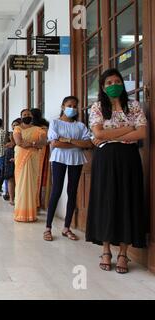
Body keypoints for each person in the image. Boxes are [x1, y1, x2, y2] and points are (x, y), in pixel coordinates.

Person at [86, 68, 148, 274]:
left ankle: (123, 253)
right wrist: (128, 129)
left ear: (123, 84)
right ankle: (105, 250)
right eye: (109, 83)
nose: (114, 85)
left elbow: (142, 133)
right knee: (106, 200)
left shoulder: (134, 106)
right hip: (105, 159)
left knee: (127, 201)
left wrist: (107, 134)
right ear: (103, 87)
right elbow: (97, 133)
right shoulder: (97, 107)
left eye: (117, 81)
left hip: (129, 158)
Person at [43, 96, 93, 242]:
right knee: (56, 191)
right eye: (69, 105)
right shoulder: (55, 123)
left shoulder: (80, 126)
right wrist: (78, 143)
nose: (72, 107)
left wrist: (68, 140)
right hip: (59, 159)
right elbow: (55, 143)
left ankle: (66, 227)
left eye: (74, 105)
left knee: (72, 192)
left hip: (76, 160)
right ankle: (48, 228)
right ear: (63, 106)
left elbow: (88, 144)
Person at [13, 109, 47, 222]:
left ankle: (31, 214)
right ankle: (20, 214)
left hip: (33, 158)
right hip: (21, 158)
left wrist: (31, 144)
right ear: (21, 116)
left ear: (32, 116)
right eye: (24, 115)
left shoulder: (39, 129)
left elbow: (43, 143)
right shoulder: (17, 128)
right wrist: (34, 144)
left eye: (28, 114)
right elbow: (19, 142)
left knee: (32, 184)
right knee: (21, 184)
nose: (27, 116)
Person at [31, 108, 51, 210]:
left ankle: (37, 204)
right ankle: (37, 204)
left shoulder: (41, 128)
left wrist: (34, 143)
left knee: (37, 178)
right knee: (39, 179)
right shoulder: (45, 126)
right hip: (41, 153)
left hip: (38, 153)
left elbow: (48, 140)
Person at [3, 119, 21, 206]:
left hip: (18, 155)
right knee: (10, 178)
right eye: (13, 125)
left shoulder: (22, 133)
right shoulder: (10, 134)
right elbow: (6, 144)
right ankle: (11, 198)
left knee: (18, 179)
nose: (14, 126)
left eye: (16, 124)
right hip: (9, 155)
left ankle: (18, 197)